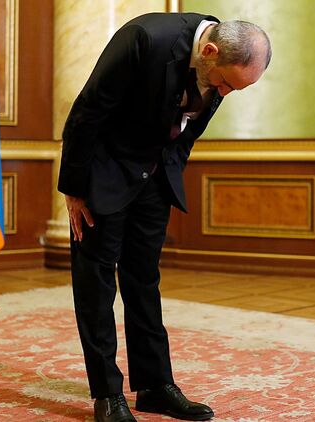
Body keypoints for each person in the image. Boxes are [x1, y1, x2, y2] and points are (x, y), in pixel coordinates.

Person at [58, 12, 271, 422]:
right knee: (96, 284)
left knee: (144, 280)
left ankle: (155, 385)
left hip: (155, 178)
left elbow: (188, 128)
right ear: (210, 52)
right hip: (104, 174)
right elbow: (87, 111)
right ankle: (107, 394)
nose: (224, 92)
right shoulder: (144, 38)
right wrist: (75, 188)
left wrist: (168, 172)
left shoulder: (222, 66)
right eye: (226, 84)